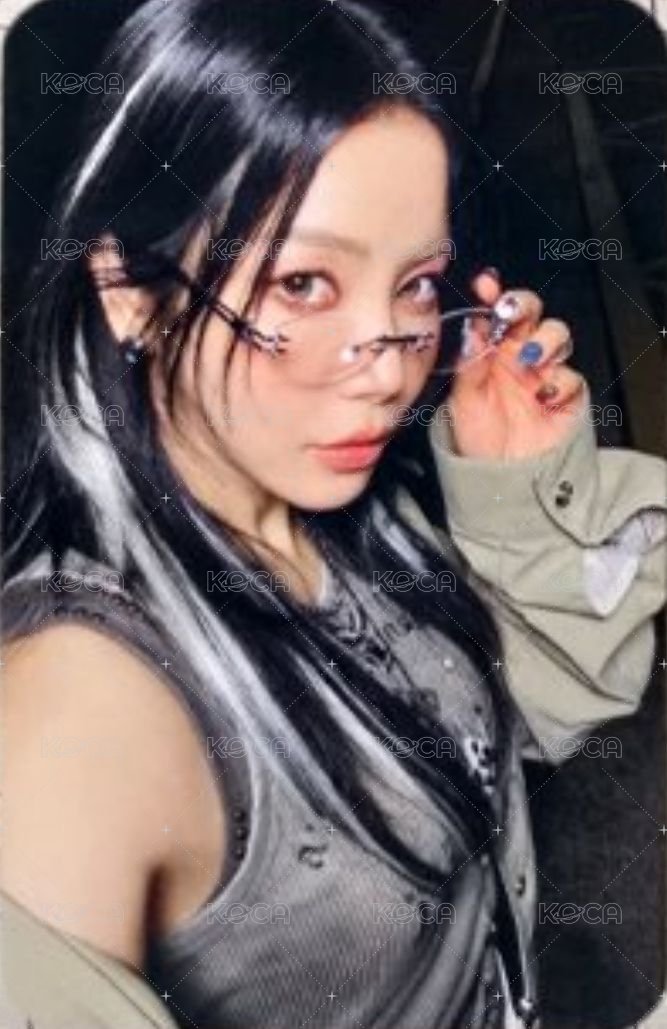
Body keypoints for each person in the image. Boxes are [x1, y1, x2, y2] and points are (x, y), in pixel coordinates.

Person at [2, 1, 665, 1027]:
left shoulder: (340, 508)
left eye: (417, 284)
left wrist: (513, 492)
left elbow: (508, 726)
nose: (389, 370)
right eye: (305, 282)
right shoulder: (74, 711)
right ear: (130, 290)